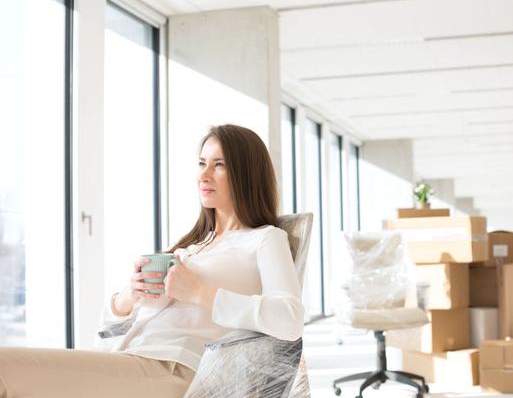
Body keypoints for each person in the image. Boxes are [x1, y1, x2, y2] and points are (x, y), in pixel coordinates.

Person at [0, 124, 305, 398]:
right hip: (132, 357)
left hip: (174, 369)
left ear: (246, 172)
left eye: (219, 165)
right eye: (201, 163)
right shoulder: (193, 247)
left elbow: (290, 320)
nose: (203, 175)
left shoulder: (265, 238)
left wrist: (201, 292)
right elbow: (110, 329)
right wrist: (128, 297)